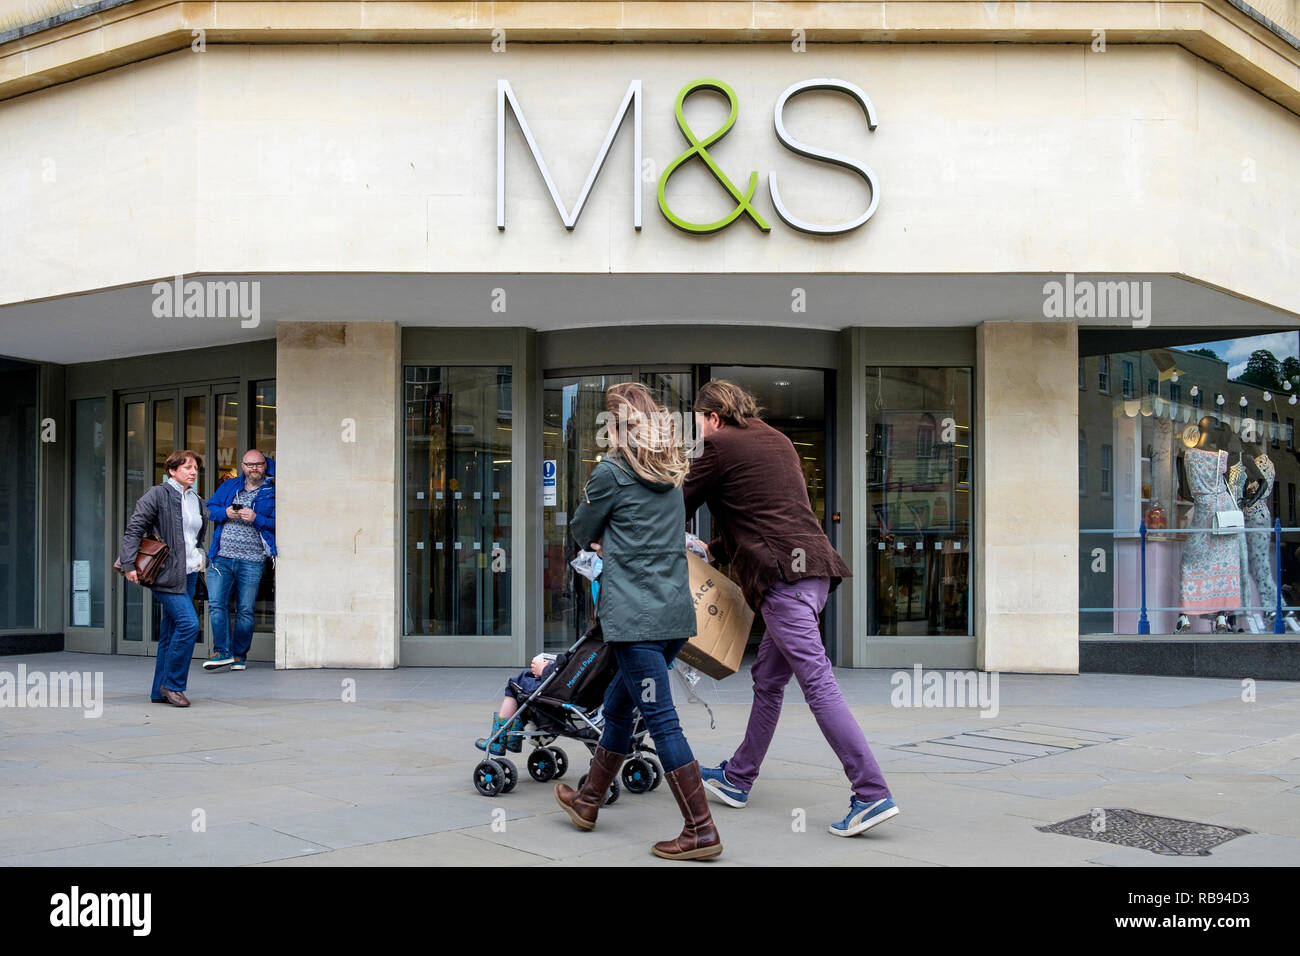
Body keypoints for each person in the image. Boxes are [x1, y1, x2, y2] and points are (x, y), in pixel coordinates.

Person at [683, 380, 899, 837]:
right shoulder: (777, 439)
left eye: (698, 422)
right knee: (768, 680)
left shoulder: (717, 446)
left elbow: (674, 503)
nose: (698, 432)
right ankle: (739, 778)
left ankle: (871, 792)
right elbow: (769, 511)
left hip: (783, 581)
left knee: (818, 683)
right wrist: (716, 547)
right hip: (814, 572)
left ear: (713, 417)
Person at [554, 382, 722, 861]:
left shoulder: (610, 473)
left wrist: (605, 539)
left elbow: (583, 529)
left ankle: (701, 829)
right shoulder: (673, 473)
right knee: (619, 702)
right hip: (672, 617)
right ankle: (588, 802)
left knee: (662, 721)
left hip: (634, 619)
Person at [119, 449, 207, 707]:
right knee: (189, 624)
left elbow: (192, 538)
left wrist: (200, 557)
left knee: (170, 632)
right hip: (164, 573)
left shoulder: (195, 499)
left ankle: (159, 691)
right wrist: (128, 564)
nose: (193, 472)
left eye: (195, 468)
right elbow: (134, 529)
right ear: (171, 470)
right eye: (187, 467)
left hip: (190, 572)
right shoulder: (158, 494)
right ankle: (173, 685)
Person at [203, 449, 275, 671]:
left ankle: (239, 656)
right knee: (216, 605)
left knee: (245, 610)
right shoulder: (230, 486)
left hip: (252, 559)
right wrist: (225, 512)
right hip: (221, 556)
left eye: (259, 464)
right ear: (243, 466)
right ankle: (221, 652)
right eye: (250, 464)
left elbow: (282, 524)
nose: (254, 468)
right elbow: (209, 511)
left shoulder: (273, 491)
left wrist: (256, 518)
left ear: (265, 465)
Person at [474, 653, 557, 756]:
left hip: (554, 685)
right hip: (565, 688)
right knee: (528, 680)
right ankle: (513, 738)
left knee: (515, 683)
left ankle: (497, 740)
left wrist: (544, 669)